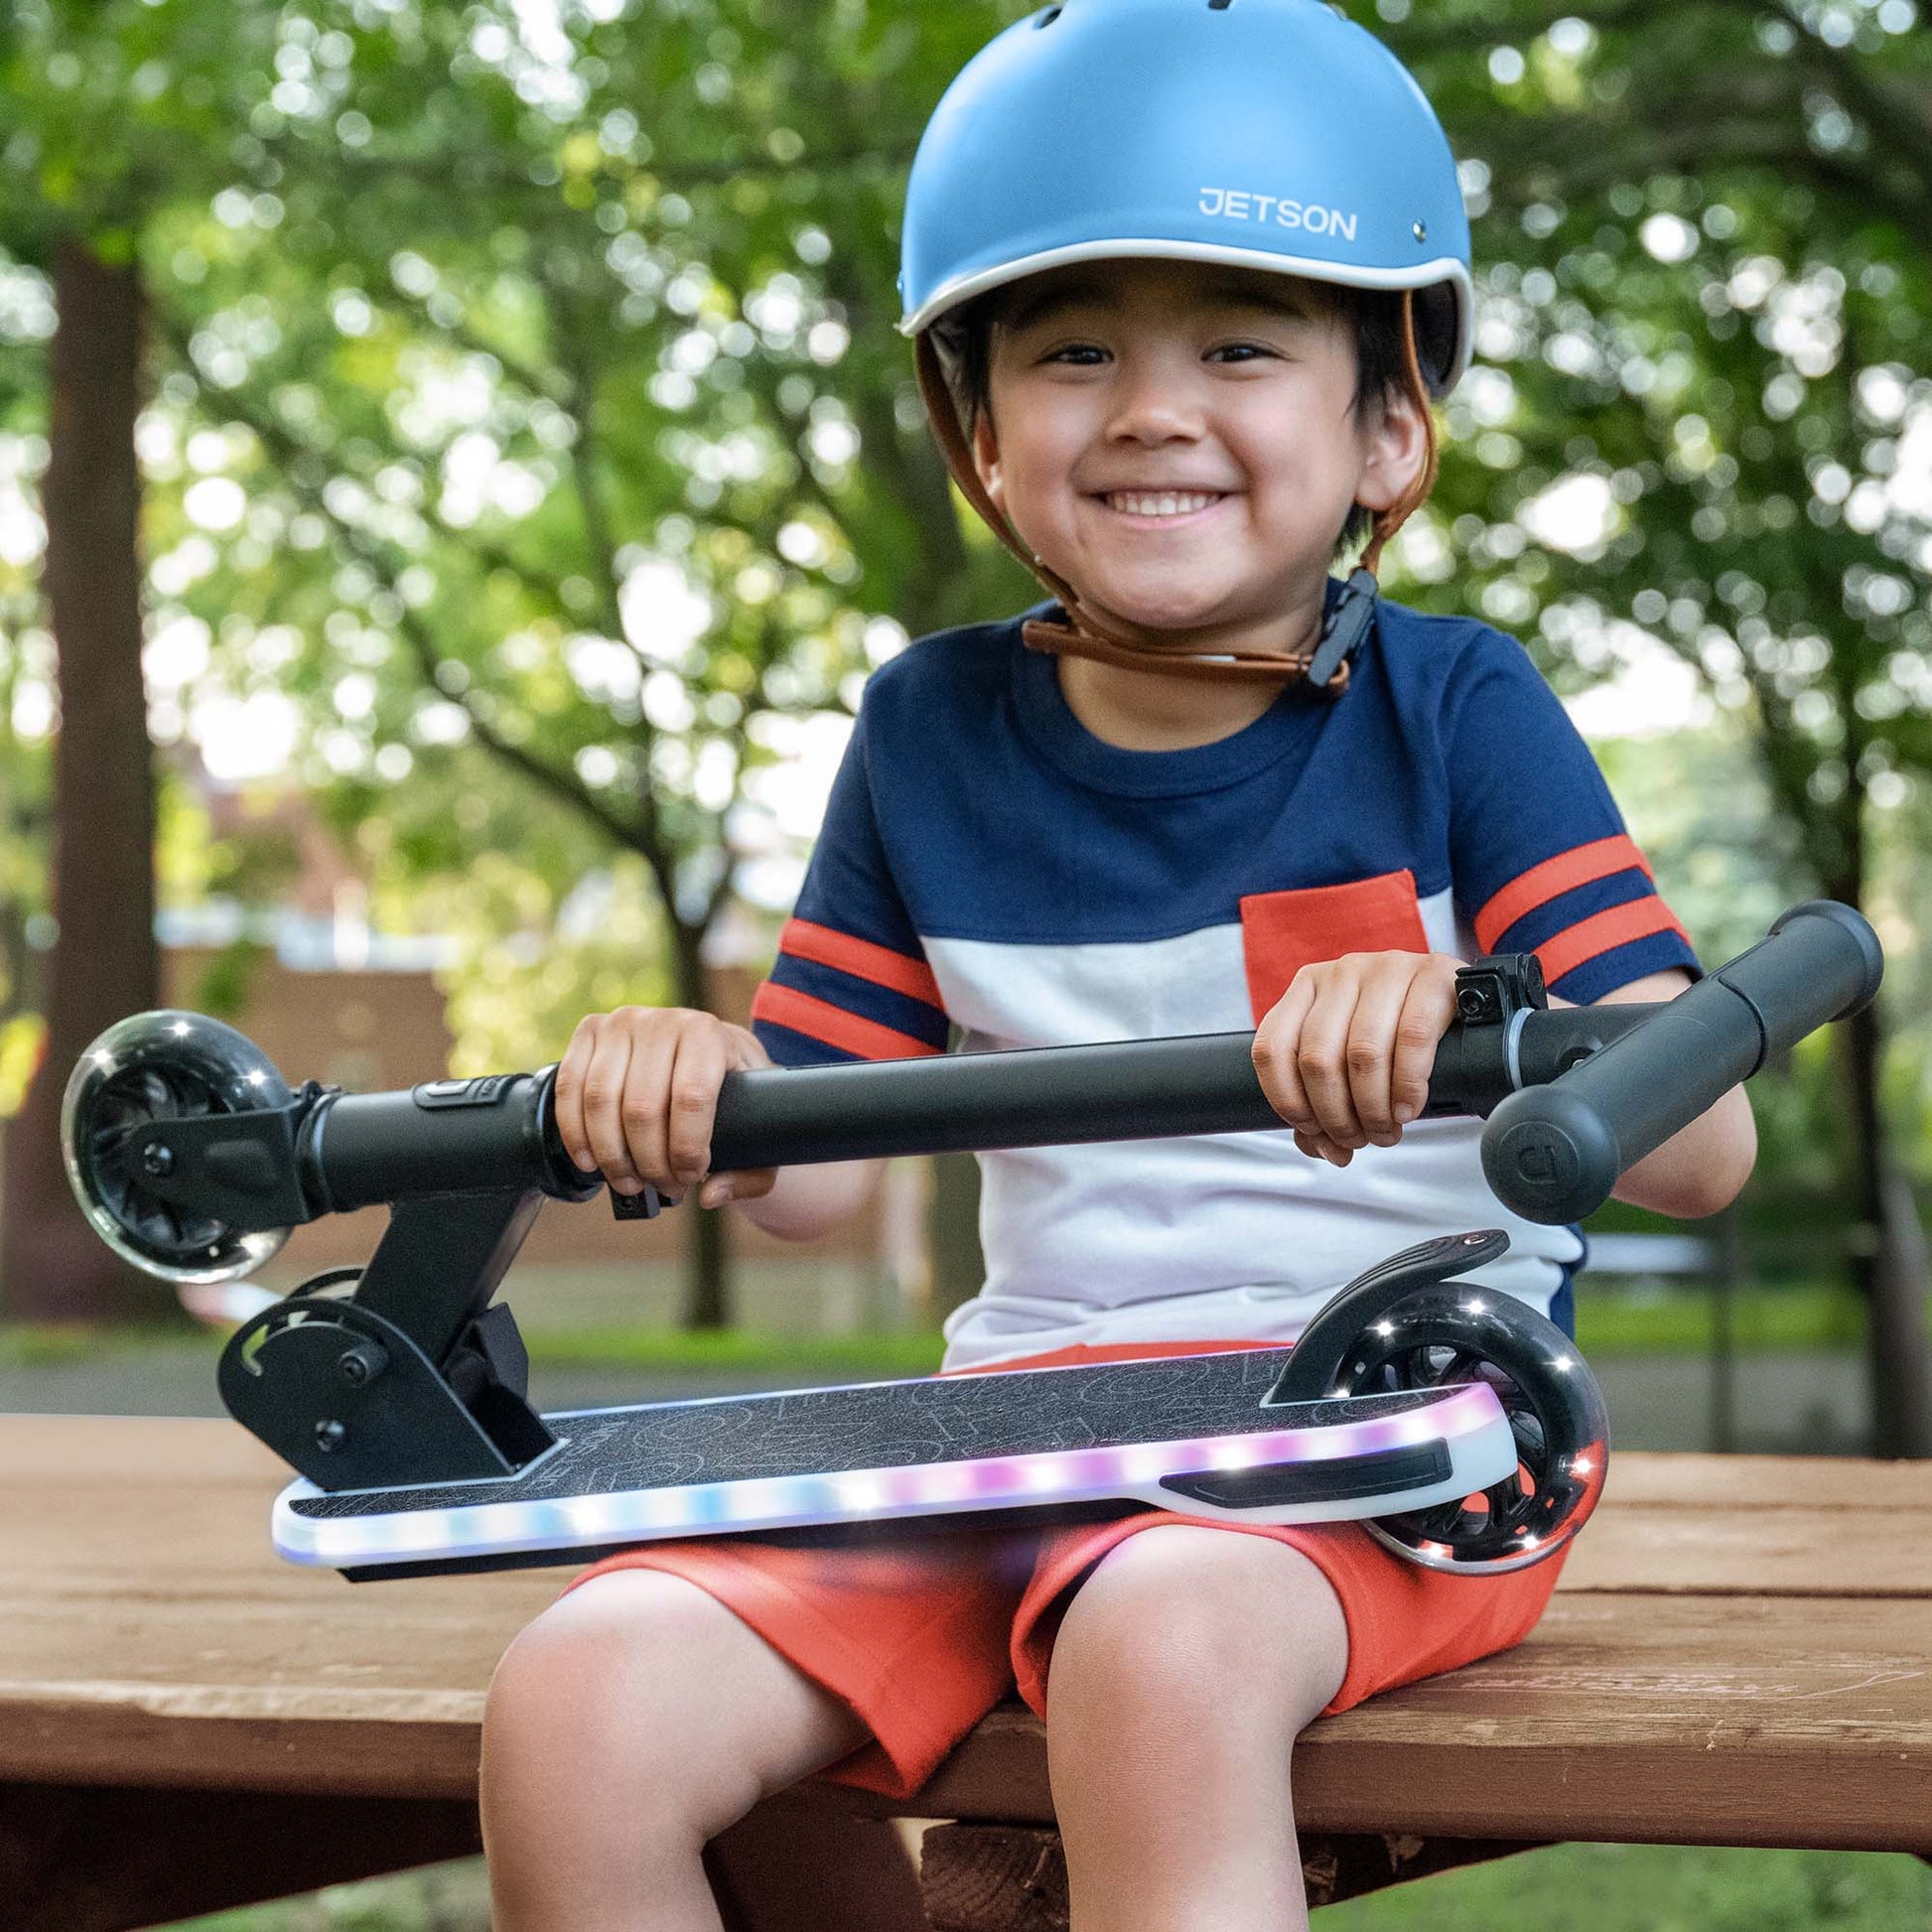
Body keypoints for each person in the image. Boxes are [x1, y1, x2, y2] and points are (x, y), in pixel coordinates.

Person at [479, 3, 1758, 1925]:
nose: (1151, 407)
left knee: (1154, 1640)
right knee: (578, 1701)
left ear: (1385, 422)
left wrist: (1473, 1016)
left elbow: (1704, 1145)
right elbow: (807, 1166)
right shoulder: (925, 730)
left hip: (1393, 1423)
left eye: (1239, 345)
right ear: (981, 432)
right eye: (1074, 350)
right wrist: (692, 1085)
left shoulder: (1453, 708)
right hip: (1015, 1430)